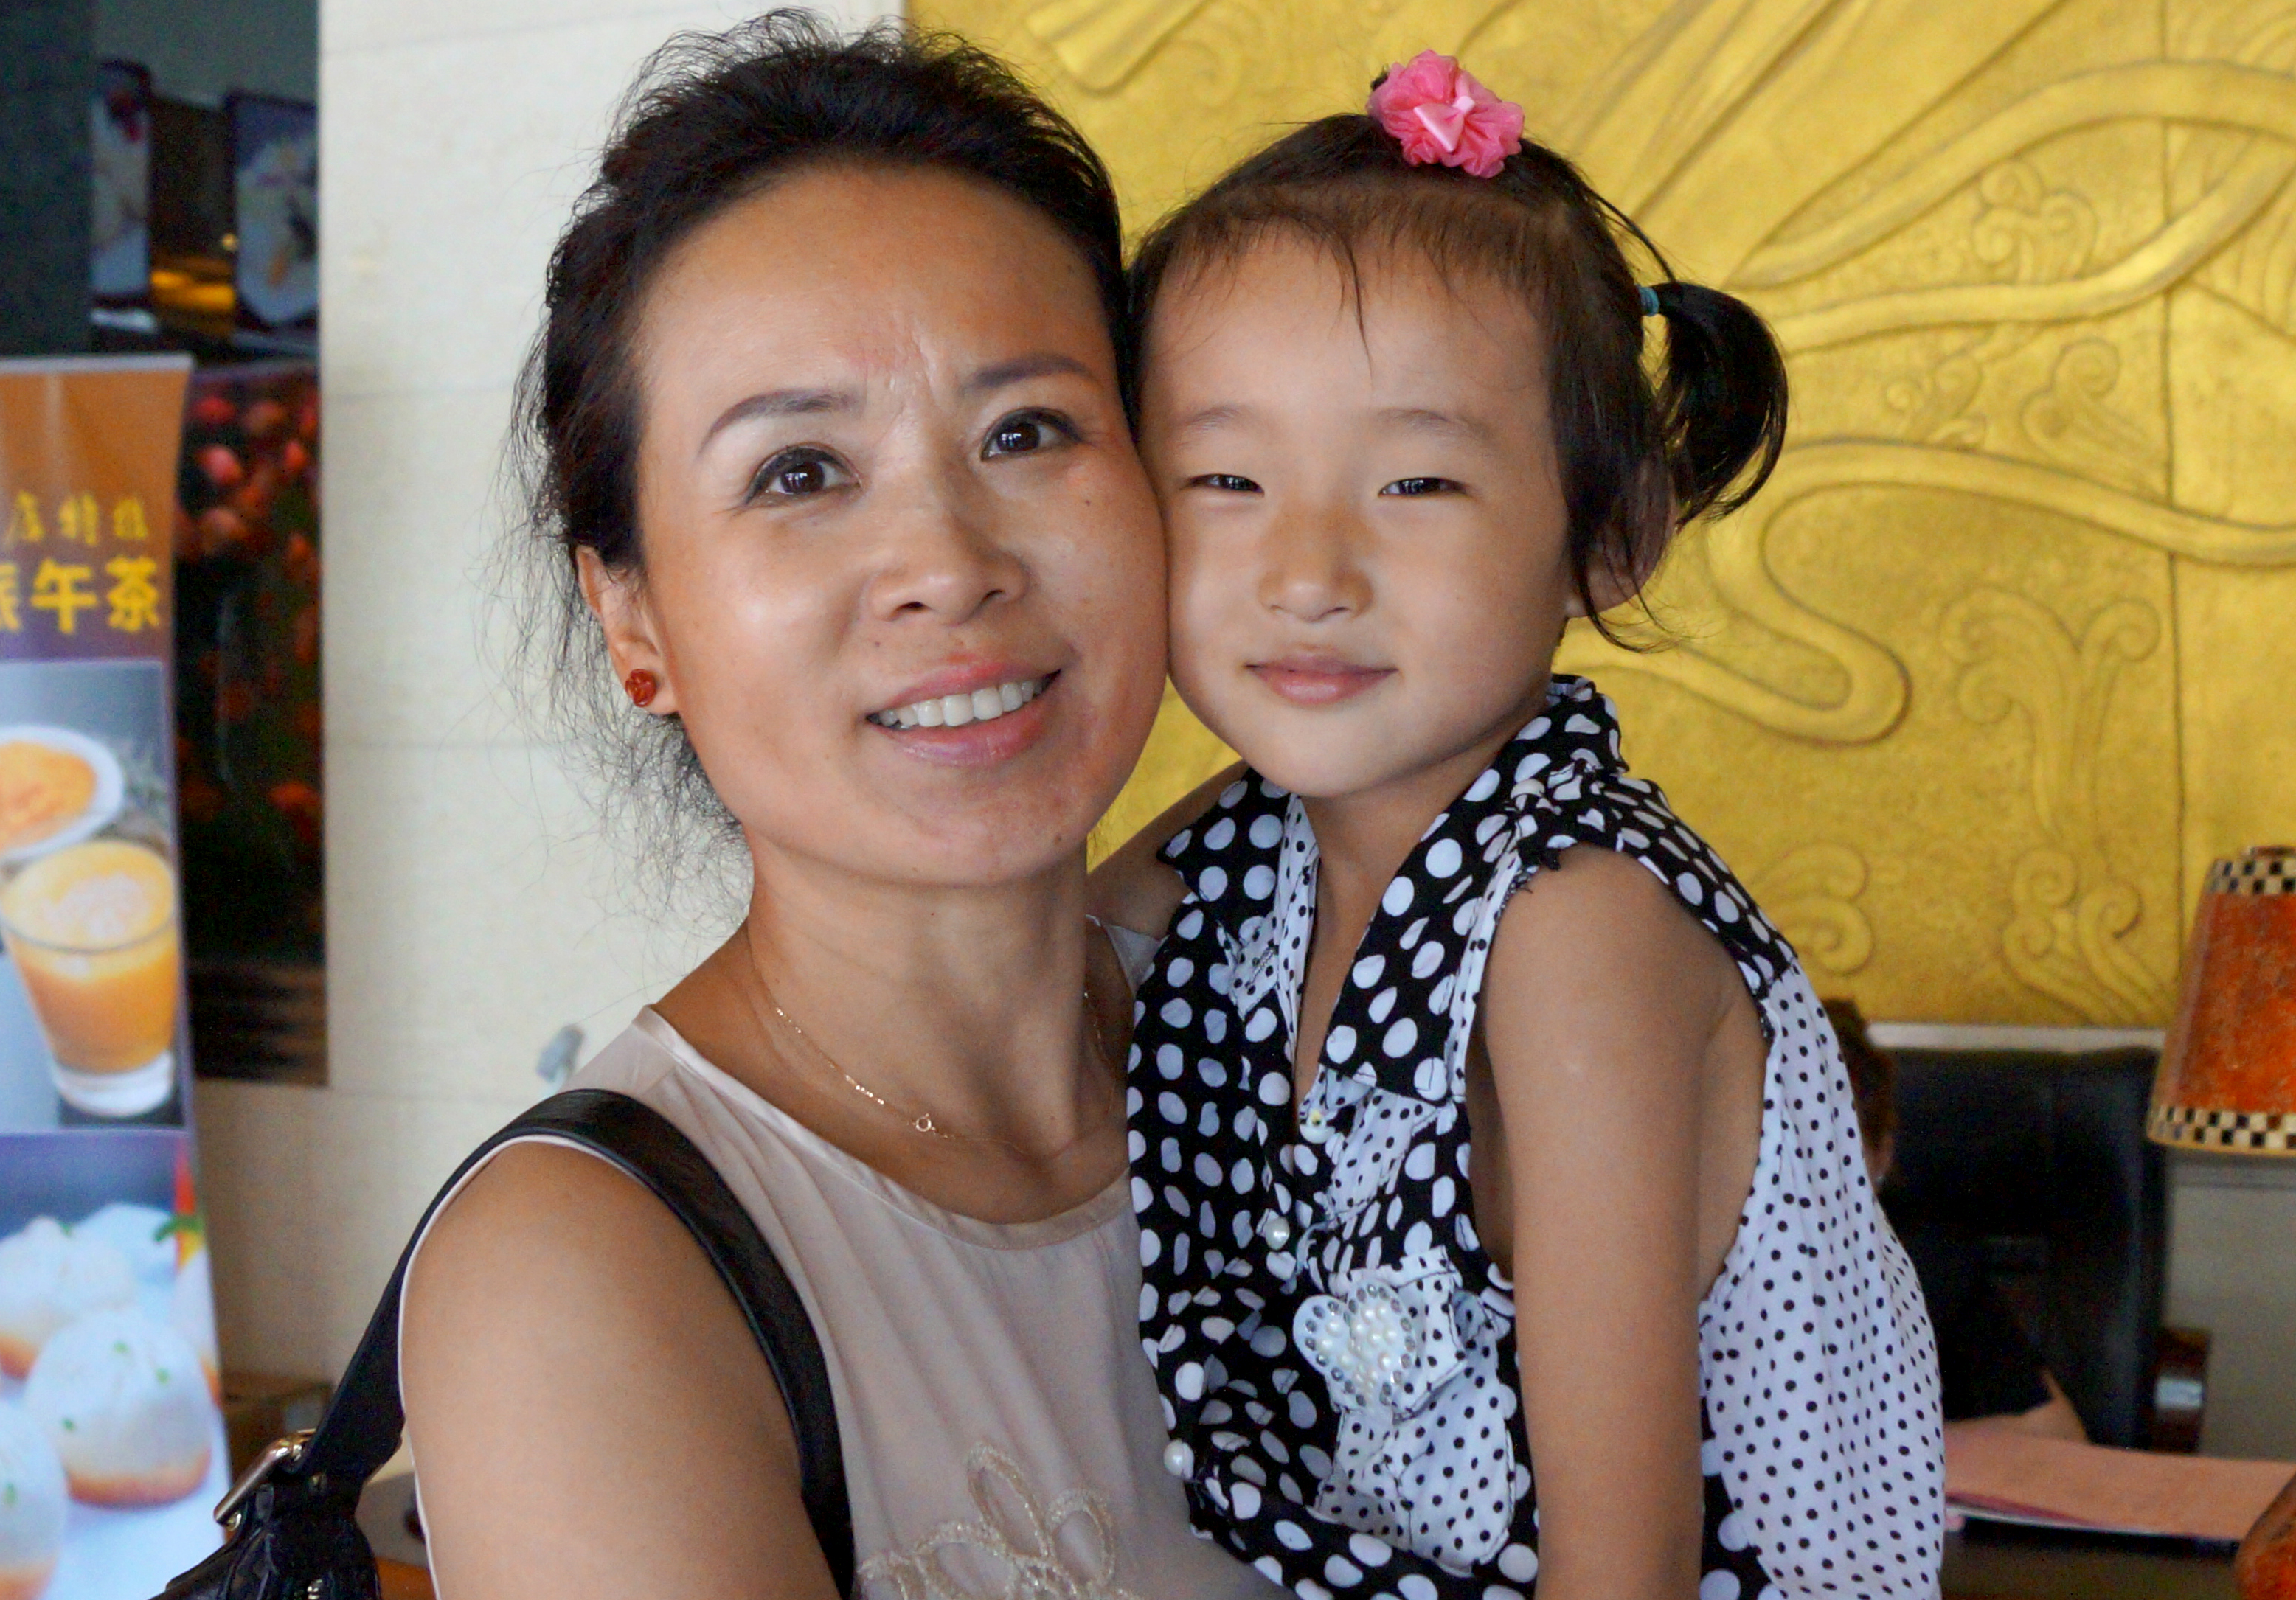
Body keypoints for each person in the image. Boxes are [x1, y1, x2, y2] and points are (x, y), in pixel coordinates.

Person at [398, 17, 1286, 1599]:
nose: (948, 562)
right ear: (633, 621)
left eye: (1027, 431)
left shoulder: (1322, 1009)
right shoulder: (585, 1267)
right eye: (798, 471)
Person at [1089, 53, 1946, 1599]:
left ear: (1609, 537)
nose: (1305, 571)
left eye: (1415, 480)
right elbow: (1027, 976)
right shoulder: (1256, 845)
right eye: (1223, 477)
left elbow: (1623, 1568)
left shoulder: (1575, 925)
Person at [1825, 999, 2089, 1442]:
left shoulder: (1925, 1258)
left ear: (1882, 1157)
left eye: (1835, 1158)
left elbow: (2057, 1432)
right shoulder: (1710, 1268)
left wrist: (1894, 1449)